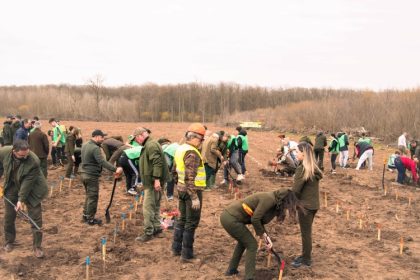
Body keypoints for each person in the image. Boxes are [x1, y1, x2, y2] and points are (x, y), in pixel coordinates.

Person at [221, 189, 304, 280]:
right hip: (230, 218)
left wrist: (267, 239)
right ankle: (249, 277)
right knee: (252, 245)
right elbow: (255, 219)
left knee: (243, 242)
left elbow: (259, 221)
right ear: (284, 200)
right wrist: (262, 235)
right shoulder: (269, 199)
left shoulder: (274, 202)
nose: (287, 208)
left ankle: (231, 270)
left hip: (232, 218)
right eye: (288, 204)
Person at [0, 140, 48, 258]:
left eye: (27, 154)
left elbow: (27, 183)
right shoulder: (5, 152)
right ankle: (9, 241)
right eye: (22, 155)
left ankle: (37, 246)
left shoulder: (34, 161)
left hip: (32, 189)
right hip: (11, 186)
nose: (25, 156)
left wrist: (20, 200)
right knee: (9, 216)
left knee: (35, 217)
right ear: (14, 151)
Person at [171, 123, 206, 262]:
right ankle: (186, 255)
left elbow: (174, 171)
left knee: (181, 220)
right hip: (192, 191)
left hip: (181, 190)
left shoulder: (180, 149)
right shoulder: (192, 152)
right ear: (195, 138)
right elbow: (189, 177)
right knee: (191, 223)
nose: (201, 143)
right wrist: (194, 197)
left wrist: (179, 186)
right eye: (201, 140)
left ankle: (176, 249)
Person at [80, 129, 123, 225]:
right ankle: (90, 219)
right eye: (102, 137)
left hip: (83, 173)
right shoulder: (95, 148)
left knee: (89, 195)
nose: (103, 139)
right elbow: (102, 162)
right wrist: (115, 169)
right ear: (96, 137)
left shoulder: (85, 145)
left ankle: (85, 215)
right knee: (93, 197)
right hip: (91, 175)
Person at [133, 127, 169, 242]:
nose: (136, 141)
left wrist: (156, 179)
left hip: (153, 182)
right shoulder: (150, 144)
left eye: (136, 138)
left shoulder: (151, 145)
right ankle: (157, 228)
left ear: (140, 136)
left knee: (147, 207)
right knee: (156, 205)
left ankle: (148, 232)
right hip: (153, 181)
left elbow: (157, 162)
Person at [291, 142, 323, 268]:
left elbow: (295, 191)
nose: (296, 154)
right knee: (307, 232)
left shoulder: (302, 169)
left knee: (306, 233)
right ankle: (305, 255)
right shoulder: (313, 168)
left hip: (305, 206)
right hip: (314, 205)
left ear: (303, 154)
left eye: (298, 152)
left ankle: (306, 260)